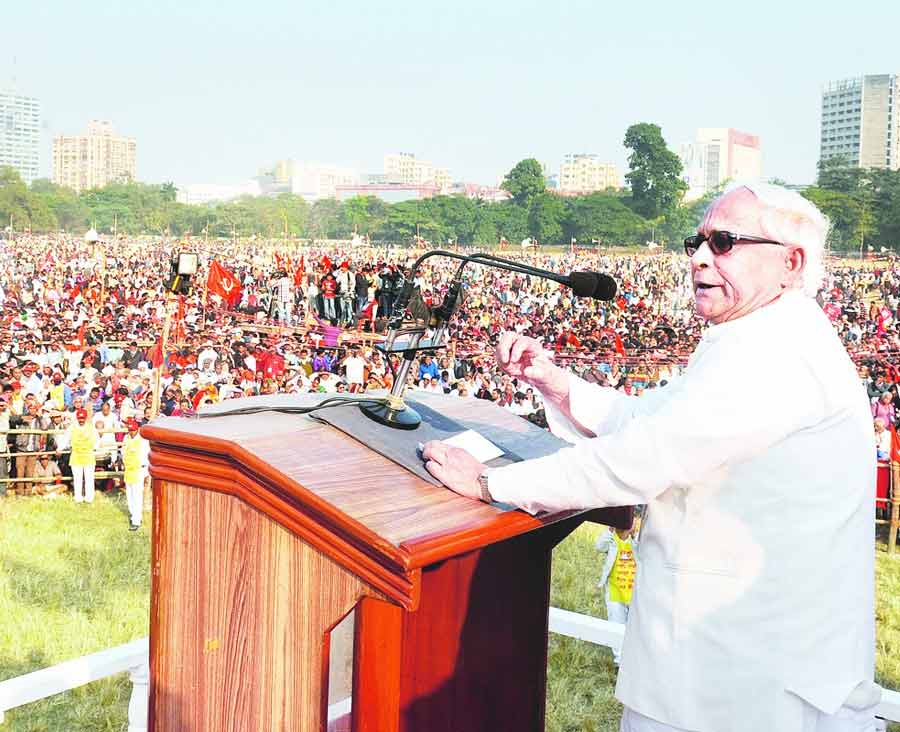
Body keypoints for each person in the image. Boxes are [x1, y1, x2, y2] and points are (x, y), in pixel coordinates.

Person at [421, 184, 878, 731]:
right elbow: (654, 423)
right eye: (699, 241)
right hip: (722, 667)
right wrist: (557, 385)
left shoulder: (779, 354)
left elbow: (647, 457)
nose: (700, 258)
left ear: (791, 262)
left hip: (748, 685)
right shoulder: (759, 336)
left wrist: (491, 485)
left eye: (725, 242)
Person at [596, 519, 639, 667]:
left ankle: (633, 657)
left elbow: (646, 552)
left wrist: (635, 533)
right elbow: (598, 546)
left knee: (633, 626)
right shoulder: (612, 540)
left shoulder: (636, 542)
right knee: (616, 625)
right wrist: (610, 529)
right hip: (615, 594)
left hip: (634, 594)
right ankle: (620, 662)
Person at [121, 418, 149, 530]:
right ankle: (134, 515)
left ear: (137, 429)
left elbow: (147, 455)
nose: (131, 432)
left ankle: (136, 521)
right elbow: (123, 452)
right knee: (129, 495)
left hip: (139, 470)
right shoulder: (126, 438)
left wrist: (146, 472)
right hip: (129, 469)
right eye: (129, 430)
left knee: (137, 496)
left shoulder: (143, 440)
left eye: (133, 430)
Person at [69, 408, 98, 504]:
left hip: (88, 455)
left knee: (89, 478)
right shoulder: (72, 427)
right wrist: (59, 448)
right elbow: (66, 438)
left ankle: (89, 498)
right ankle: (78, 497)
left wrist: (95, 448)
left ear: (86, 418)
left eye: (83, 418)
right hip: (76, 455)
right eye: (79, 418)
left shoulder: (91, 427)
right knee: (77, 478)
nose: (81, 420)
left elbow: (97, 440)